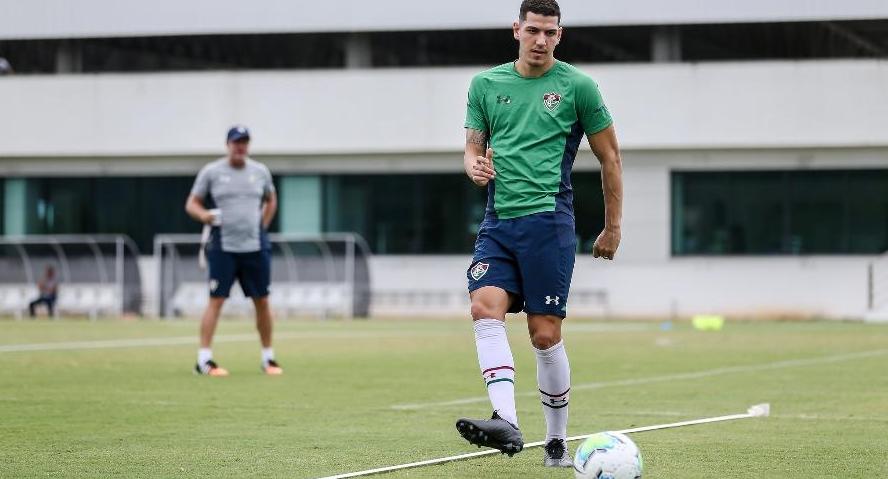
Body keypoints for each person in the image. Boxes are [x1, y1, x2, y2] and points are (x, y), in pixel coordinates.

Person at [454, 0, 624, 468]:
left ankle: (556, 442)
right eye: (533, 30)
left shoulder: (578, 87)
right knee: (483, 307)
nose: (540, 40)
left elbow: (611, 157)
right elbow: (471, 149)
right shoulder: (485, 85)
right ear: (517, 30)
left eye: (550, 32)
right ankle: (505, 420)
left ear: (559, 35)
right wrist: (474, 167)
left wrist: (612, 227)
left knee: (544, 335)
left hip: (549, 224)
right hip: (497, 223)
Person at [185, 125, 281, 376]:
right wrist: (204, 215)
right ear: (228, 144)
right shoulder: (212, 172)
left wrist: (263, 225)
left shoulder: (260, 172)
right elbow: (192, 203)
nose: (241, 147)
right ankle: (204, 360)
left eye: (244, 142)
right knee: (216, 300)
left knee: (262, 300)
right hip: (223, 247)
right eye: (236, 142)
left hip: (255, 247)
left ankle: (268, 358)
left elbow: (271, 199)